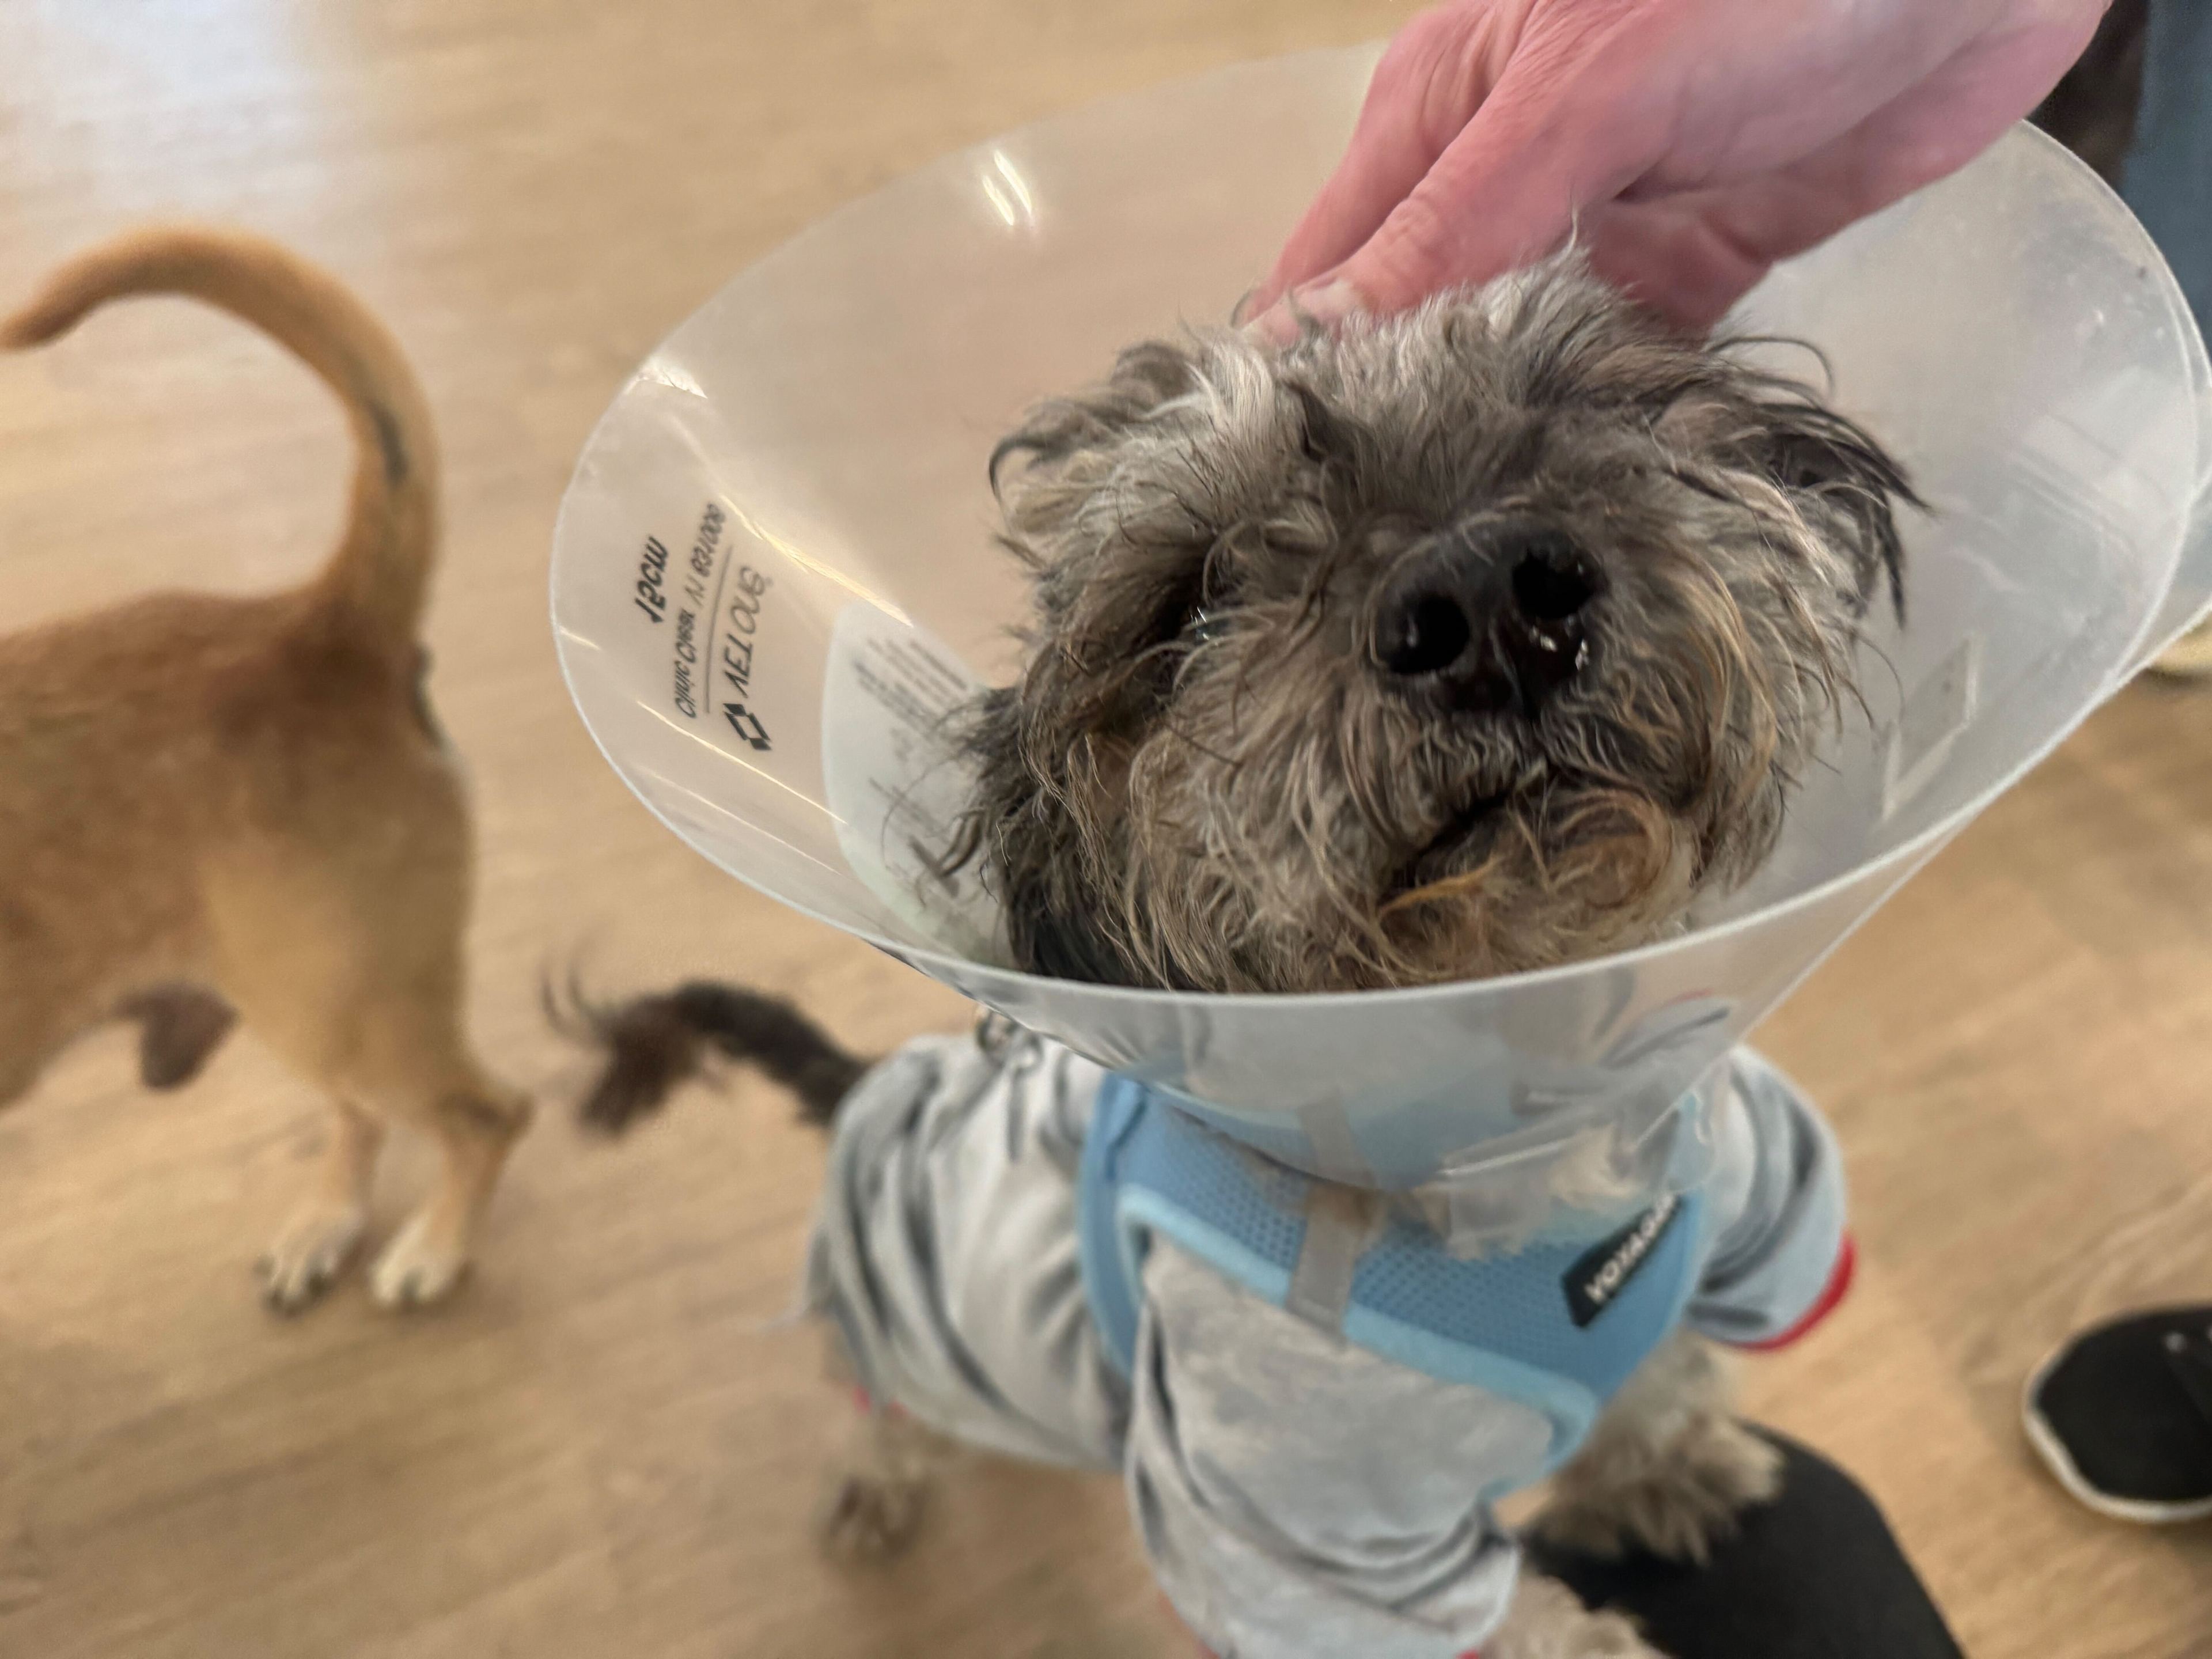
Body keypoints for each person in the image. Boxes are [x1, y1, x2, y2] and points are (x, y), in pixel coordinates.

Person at [1245, 0, 2212, 1571]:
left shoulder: (1713, 1107)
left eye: (1589, 443)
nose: (1484, 592)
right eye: (1207, 595)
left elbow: (1741, 1219)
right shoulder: (1215, 1279)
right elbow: (1290, 1578)